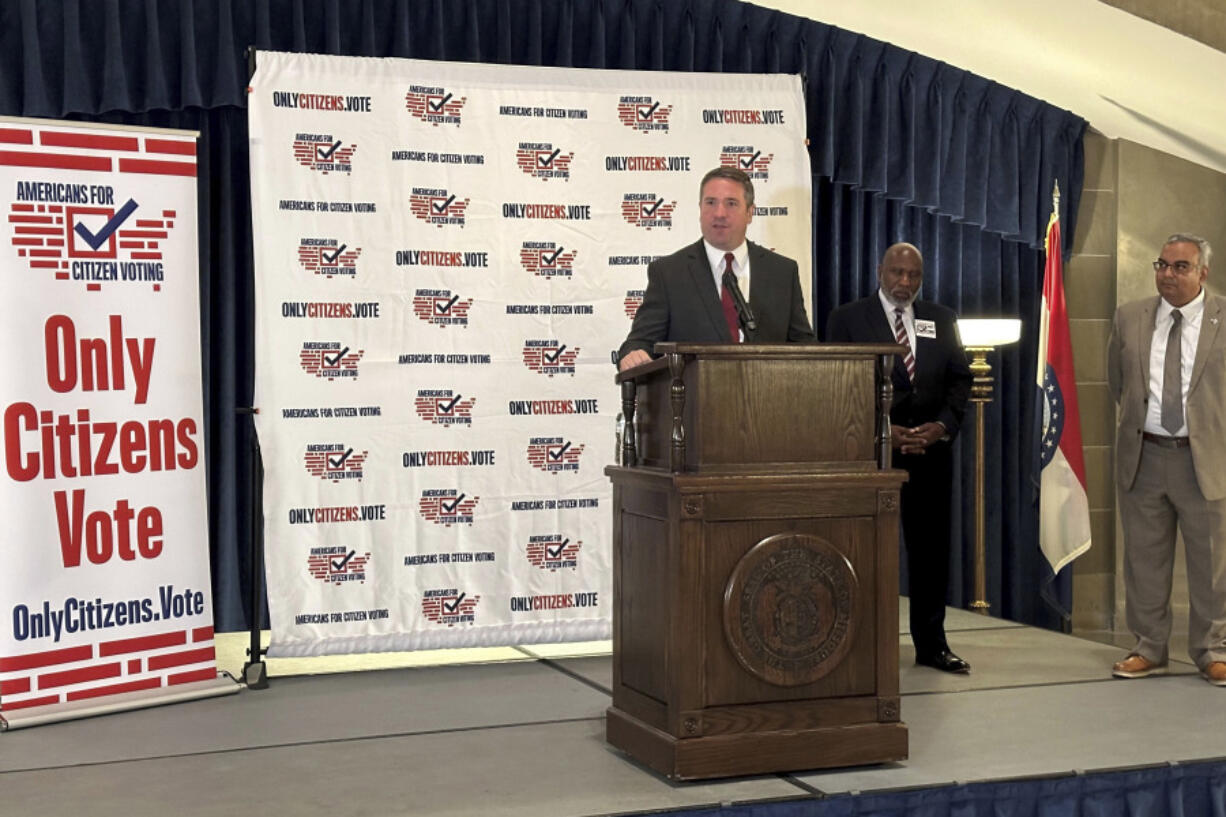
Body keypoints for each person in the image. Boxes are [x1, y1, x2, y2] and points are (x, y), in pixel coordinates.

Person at [825, 242, 973, 673]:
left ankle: (932, 646)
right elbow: (837, 387)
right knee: (868, 556)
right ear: (879, 271)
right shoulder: (847, 319)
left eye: (912, 275)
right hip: (873, 459)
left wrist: (941, 427)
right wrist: (884, 433)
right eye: (896, 273)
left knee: (930, 556)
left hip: (930, 457)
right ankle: (864, 650)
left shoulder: (941, 319)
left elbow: (959, 382)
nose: (904, 282)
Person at [1107, 233, 1226, 687]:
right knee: (1144, 559)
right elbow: (1118, 382)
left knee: (1212, 562)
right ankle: (1148, 647)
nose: (1168, 274)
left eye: (1180, 267)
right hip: (1146, 454)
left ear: (1202, 272)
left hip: (1206, 459)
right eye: (1162, 265)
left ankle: (1212, 651)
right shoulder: (1130, 316)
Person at [617, 166, 813, 370]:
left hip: (766, 397)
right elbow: (640, 343)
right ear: (700, 209)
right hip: (695, 398)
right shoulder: (669, 273)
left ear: (750, 212)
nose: (719, 213)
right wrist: (632, 354)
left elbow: (804, 346)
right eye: (711, 203)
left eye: (731, 203)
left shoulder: (781, 272)